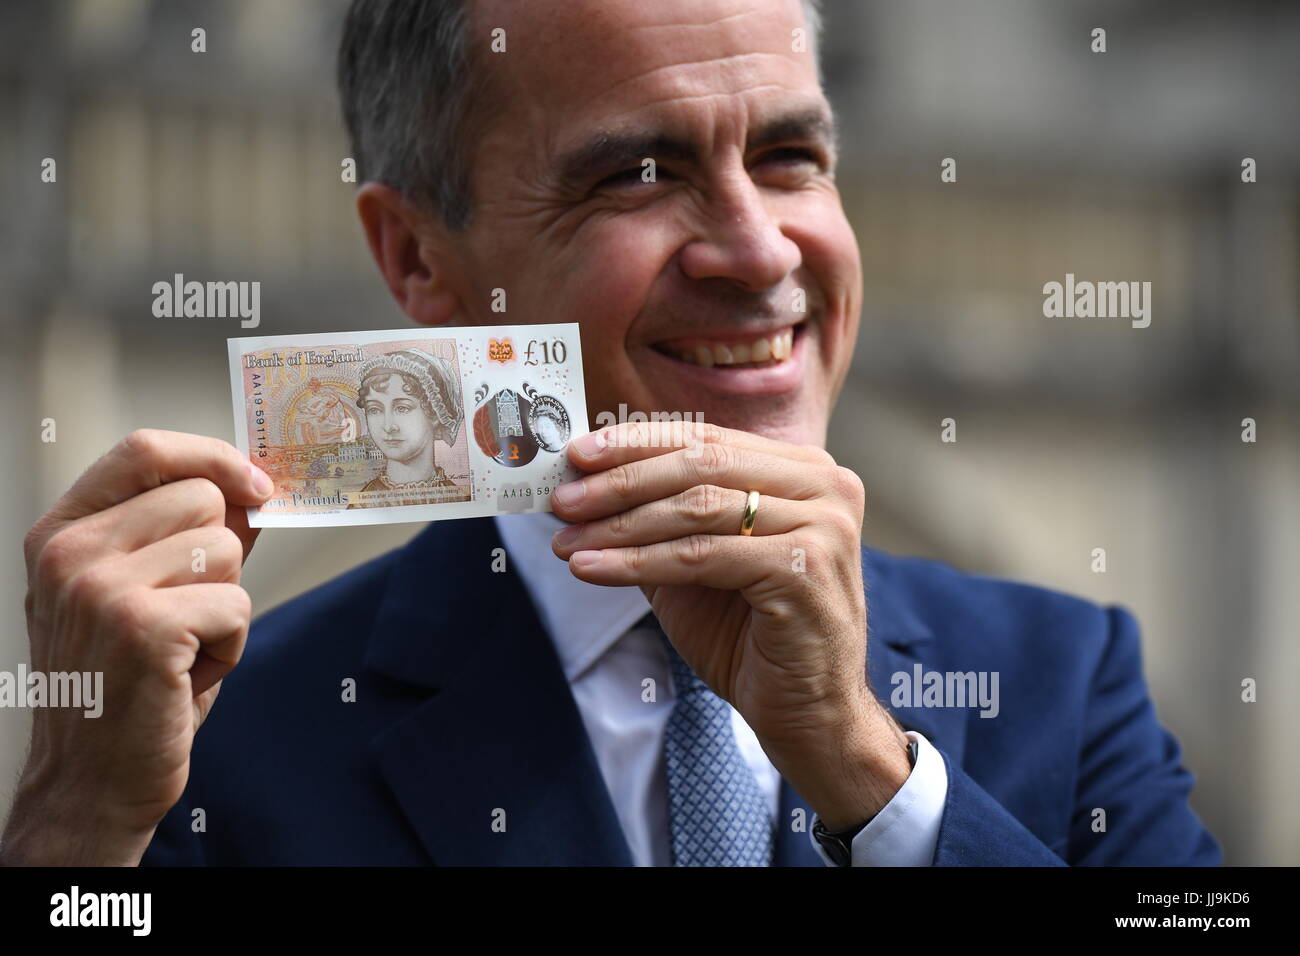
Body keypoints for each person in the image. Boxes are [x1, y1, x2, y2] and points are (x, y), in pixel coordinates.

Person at [1, 0, 1220, 867]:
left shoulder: (1066, 675)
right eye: (637, 173)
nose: (757, 250)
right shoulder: (221, 739)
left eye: (790, 156)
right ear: (421, 258)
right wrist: (69, 840)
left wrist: (872, 781)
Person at [348, 348, 468, 507]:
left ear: (435, 414)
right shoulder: (361, 506)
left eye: (402, 408)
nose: (389, 426)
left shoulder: (461, 500)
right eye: (374, 410)